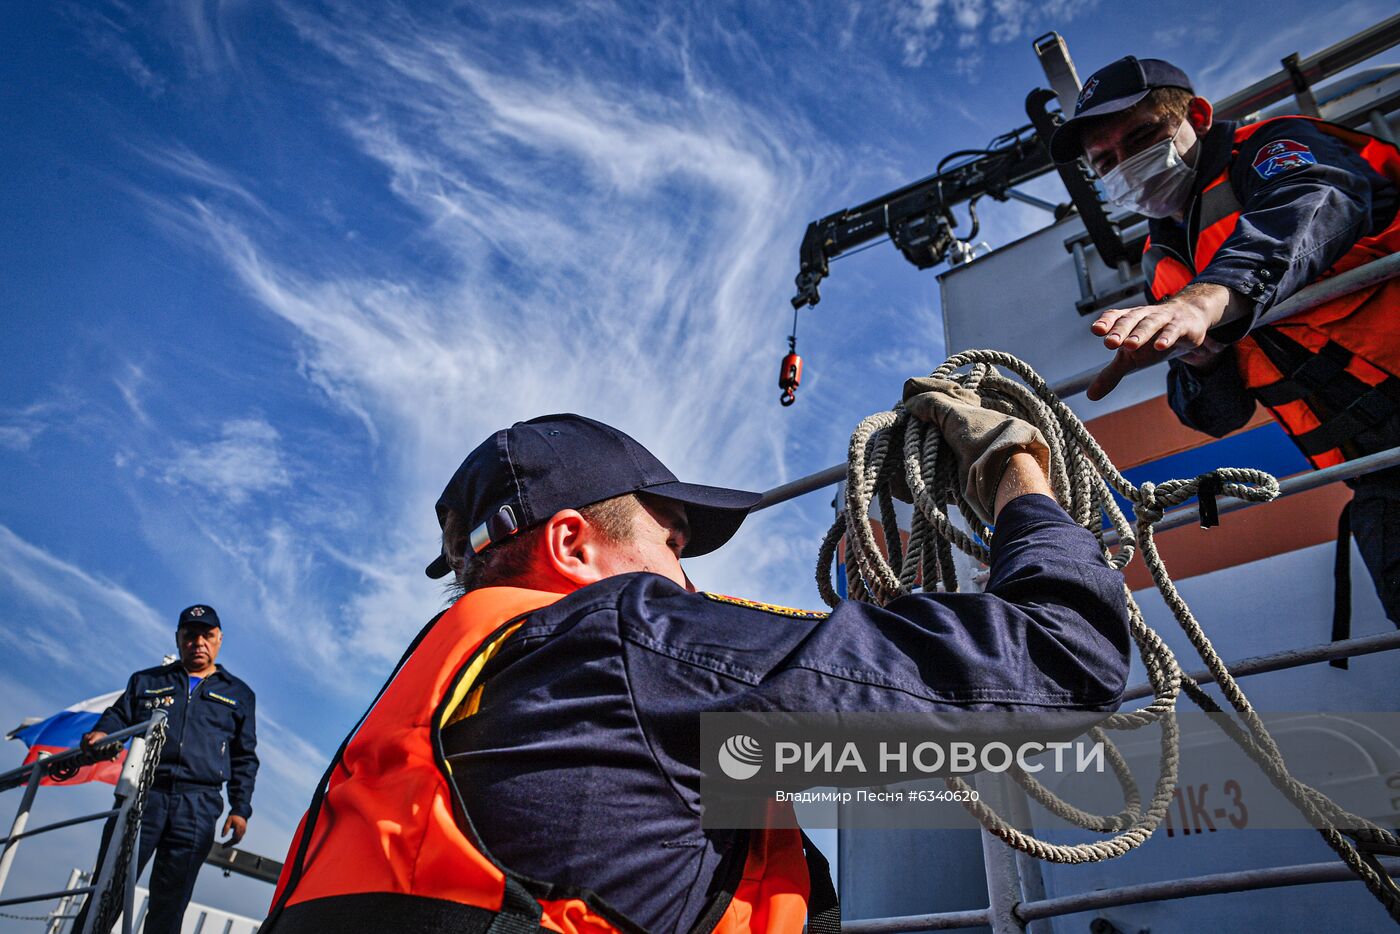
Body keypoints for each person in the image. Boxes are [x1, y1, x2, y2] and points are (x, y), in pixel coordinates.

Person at [263, 404, 1130, 933]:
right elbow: (1062, 660)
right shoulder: (627, 641)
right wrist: (1015, 469)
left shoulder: (449, 692)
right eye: (670, 544)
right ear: (572, 544)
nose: (687, 577)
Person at [1048, 55, 1400, 626]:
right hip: (1377, 479)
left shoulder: (1275, 148)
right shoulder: (1162, 262)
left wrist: (1206, 299)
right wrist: (1203, 363)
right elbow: (1219, 416)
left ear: (1200, 117)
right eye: (1107, 161)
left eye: (1142, 137)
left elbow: (1312, 203)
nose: (1128, 168)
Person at [80, 605, 258, 934]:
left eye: (207, 635)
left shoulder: (240, 694)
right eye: (190, 635)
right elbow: (120, 714)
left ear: (219, 640)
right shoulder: (147, 681)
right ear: (178, 639)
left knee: (171, 902)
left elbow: (244, 756)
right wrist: (103, 732)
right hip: (143, 796)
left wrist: (240, 808)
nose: (198, 642)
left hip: (198, 805)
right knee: (107, 889)